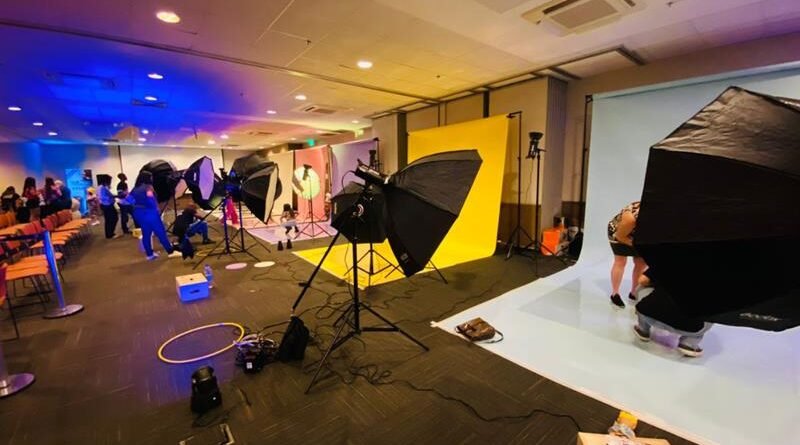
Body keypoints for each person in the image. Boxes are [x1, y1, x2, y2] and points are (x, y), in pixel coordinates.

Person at [633, 271, 712, 358]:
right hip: (690, 327)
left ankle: (643, 329)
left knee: (641, 287)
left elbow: (642, 280)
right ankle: (689, 343)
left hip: (651, 314)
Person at [607, 201, 647, 308]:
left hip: (638, 233)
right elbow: (620, 236)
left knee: (641, 262)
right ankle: (615, 294)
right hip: (618, 231)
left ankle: (634, 292)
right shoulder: (631, 218)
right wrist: (636, 245)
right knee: (620, 261)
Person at [129, 171, 175, 261]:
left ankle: (149, 254)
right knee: (160, 231)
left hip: (138, 213)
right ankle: (170, 251)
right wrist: (156, 208)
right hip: (149, 212)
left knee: (146, 233)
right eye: (150, 177)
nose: (152, 179)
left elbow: (130, 199)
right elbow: (151, 199)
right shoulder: (148, 187)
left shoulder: (135, 188)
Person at [97, 175, 119, 239]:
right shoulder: (101, 188)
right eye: (109, 180)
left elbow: (109, 195)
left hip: (108, 205)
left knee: (111, 219)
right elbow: (103, 197)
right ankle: (110, 234)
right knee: (111, 219)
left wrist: (114, 196)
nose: (110, 182)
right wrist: (113, 197)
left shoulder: (104, 187)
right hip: (107, 205)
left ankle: (110, 233)